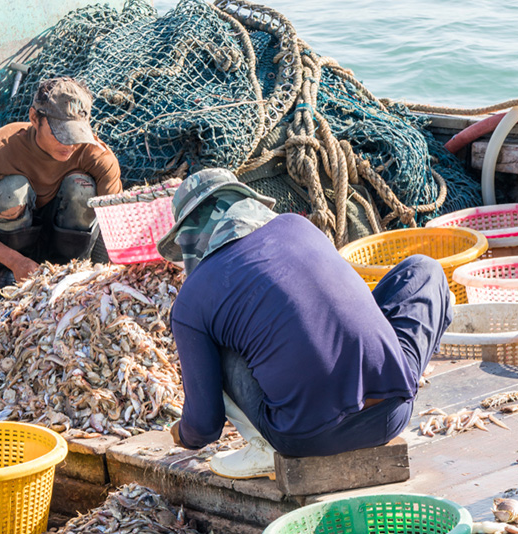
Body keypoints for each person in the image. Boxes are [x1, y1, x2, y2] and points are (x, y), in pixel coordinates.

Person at [156, 168, 453, 479]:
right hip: (391, 415)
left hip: (304, 437)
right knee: (424, 269)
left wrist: (184, 435)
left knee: (216, 339)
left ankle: (262, 448)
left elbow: (205, 424)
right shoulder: (298, 225)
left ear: (190, 237)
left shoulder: (192, 298)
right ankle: (398, 377)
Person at [0, 77, 122, 287]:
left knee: (81, 187)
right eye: (59, 133)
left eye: (75, 134)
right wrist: (15, 261)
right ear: (34, 117)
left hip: (71, 258)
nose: (68, 144)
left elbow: (114, 223)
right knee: (11, 190)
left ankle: (68, 272)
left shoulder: (98, 156)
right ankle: (9, 276)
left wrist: (109, 277)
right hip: (13, 256)